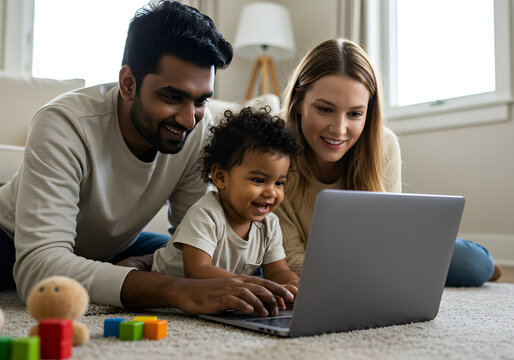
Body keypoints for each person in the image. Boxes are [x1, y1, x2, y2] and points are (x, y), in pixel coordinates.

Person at [0, 1, 294, 317]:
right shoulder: (64, 123)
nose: (188, 119)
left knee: (215, 263)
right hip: (10, 240)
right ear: (129, 83)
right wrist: (178, 291)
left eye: (200, 100)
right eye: (172, 97)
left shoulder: (199, 126)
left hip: (116, 246)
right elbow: (38, 269)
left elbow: (196, 234)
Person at [275, 38, 500, 287]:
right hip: (306, 252)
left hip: (367, 252)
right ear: (298, 102)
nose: (339, 129)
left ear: (368, 112)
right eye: (325, 109)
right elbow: (291, 260)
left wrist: (381, 268)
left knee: (476, 265)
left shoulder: (383, 145)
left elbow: (386, 242)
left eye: (355, 114)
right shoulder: (275, 150)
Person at [148, 107, 299, 307]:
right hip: (165, 287)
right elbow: (198, 271)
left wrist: (293, 285)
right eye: (259, 180)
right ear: (220, 177)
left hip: (226, 291)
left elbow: (277, 270)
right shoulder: (206, 214)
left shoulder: (269, 224)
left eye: (279, 183)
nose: (272, 192)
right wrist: (254, 285)